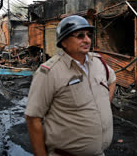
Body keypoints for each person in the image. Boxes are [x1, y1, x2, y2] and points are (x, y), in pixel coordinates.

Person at [25, 15, 116, 156]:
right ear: (64, 42)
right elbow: (33, 118)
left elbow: (112, 80)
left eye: (88, 35)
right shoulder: (49, 72)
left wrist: (104, 104)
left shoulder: (98, 62)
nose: (87, 40)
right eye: (80, 35)